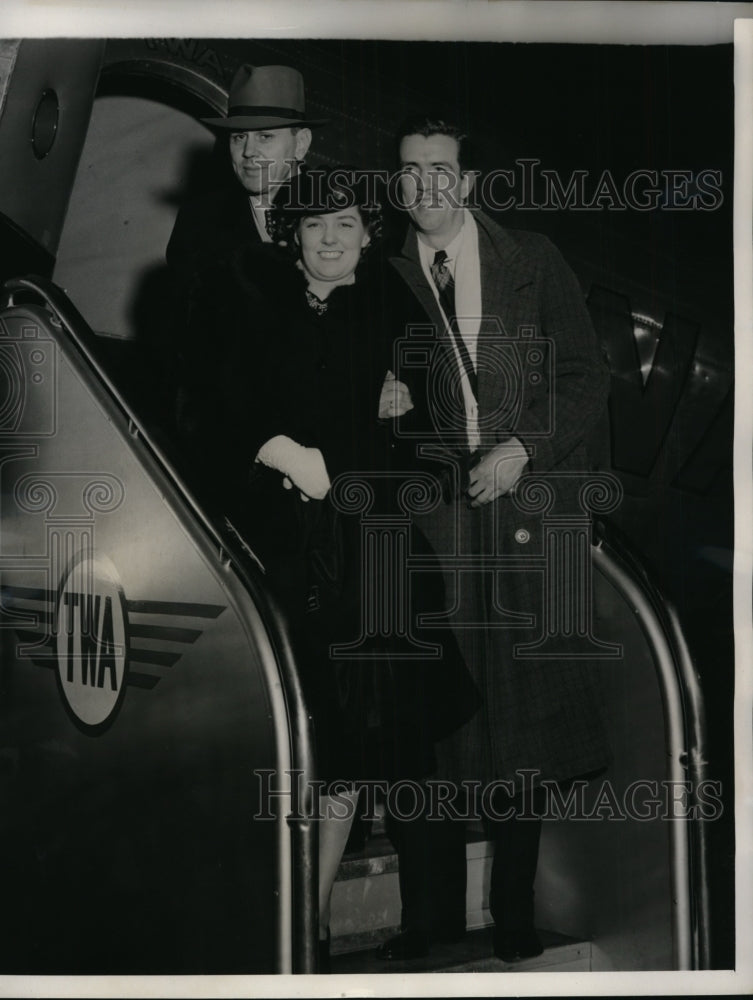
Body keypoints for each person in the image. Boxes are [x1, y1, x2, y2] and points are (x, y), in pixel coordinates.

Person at [193, 166, 479, 970]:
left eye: (346, 225)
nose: (330, 238)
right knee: (285, 727)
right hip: (273, 547)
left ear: (367, 235)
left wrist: (408, 407)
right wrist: (279, 452)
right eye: (314, 225)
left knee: (357, 740)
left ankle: (311, 919)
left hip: (369, 549)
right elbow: (212, 405)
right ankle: (273, 912)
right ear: (291, 235)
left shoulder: (394, 307)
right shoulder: (246, 298)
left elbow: (443, 426)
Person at [379, 116, 612, 964]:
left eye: (439, 170)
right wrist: (387, 409)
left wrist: (527, 449)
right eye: (408, 172)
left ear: (468, 183)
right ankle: (430, 918)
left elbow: (586, 378)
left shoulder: (532, 260)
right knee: (434, 721)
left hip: (522, 515)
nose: (422, 187)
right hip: (438, 519)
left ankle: (512, 916)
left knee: (526, 728)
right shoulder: (383, 272)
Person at [165, 63, 326, 458]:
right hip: (237, 450)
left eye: (265, 137)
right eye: (239, 138)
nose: (249, 152)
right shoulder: (199, 226)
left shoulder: (343, 213)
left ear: (300, 144)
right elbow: (195, 361)